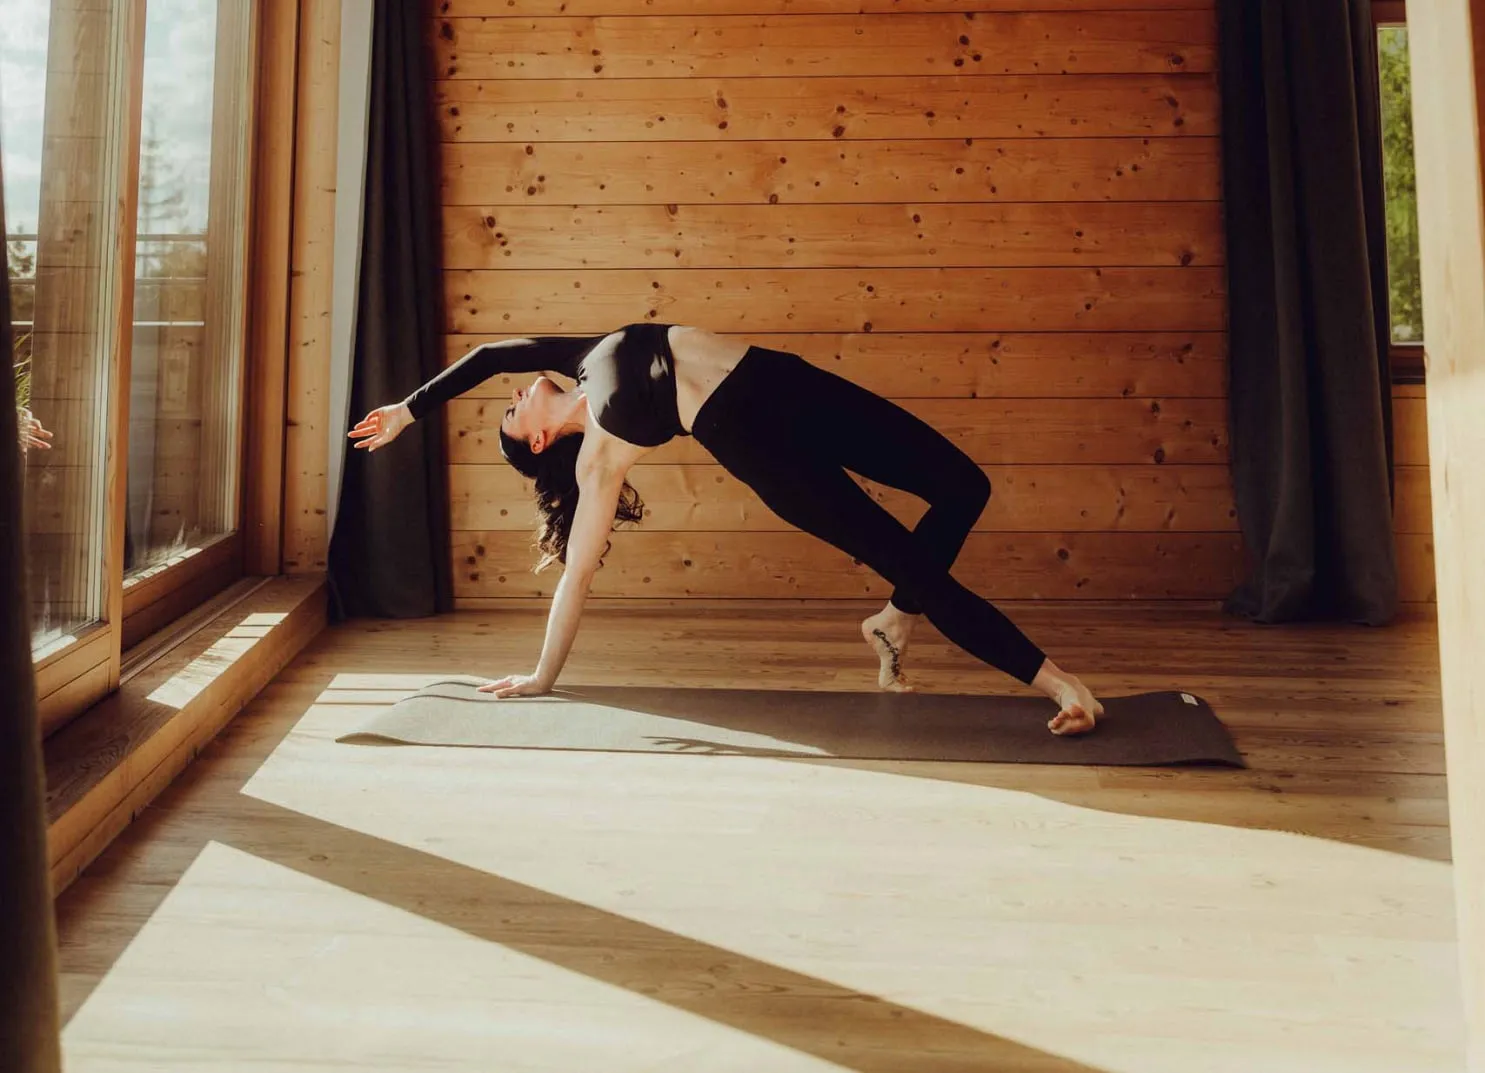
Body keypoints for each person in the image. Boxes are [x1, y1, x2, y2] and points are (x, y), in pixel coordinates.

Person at [349, 323, 1102, 735]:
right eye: (513, 414)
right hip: (769, 458)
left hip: (792, 388)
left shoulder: (575, 357)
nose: (514, 394)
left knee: (962, 485)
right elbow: (577, 574)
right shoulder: (599, 463)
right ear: (538, 442)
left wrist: (408, 409)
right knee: (915, 562)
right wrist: (543, 676)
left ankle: (893, 618)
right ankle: (1056, 681)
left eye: (507, 402)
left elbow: (487, 354)